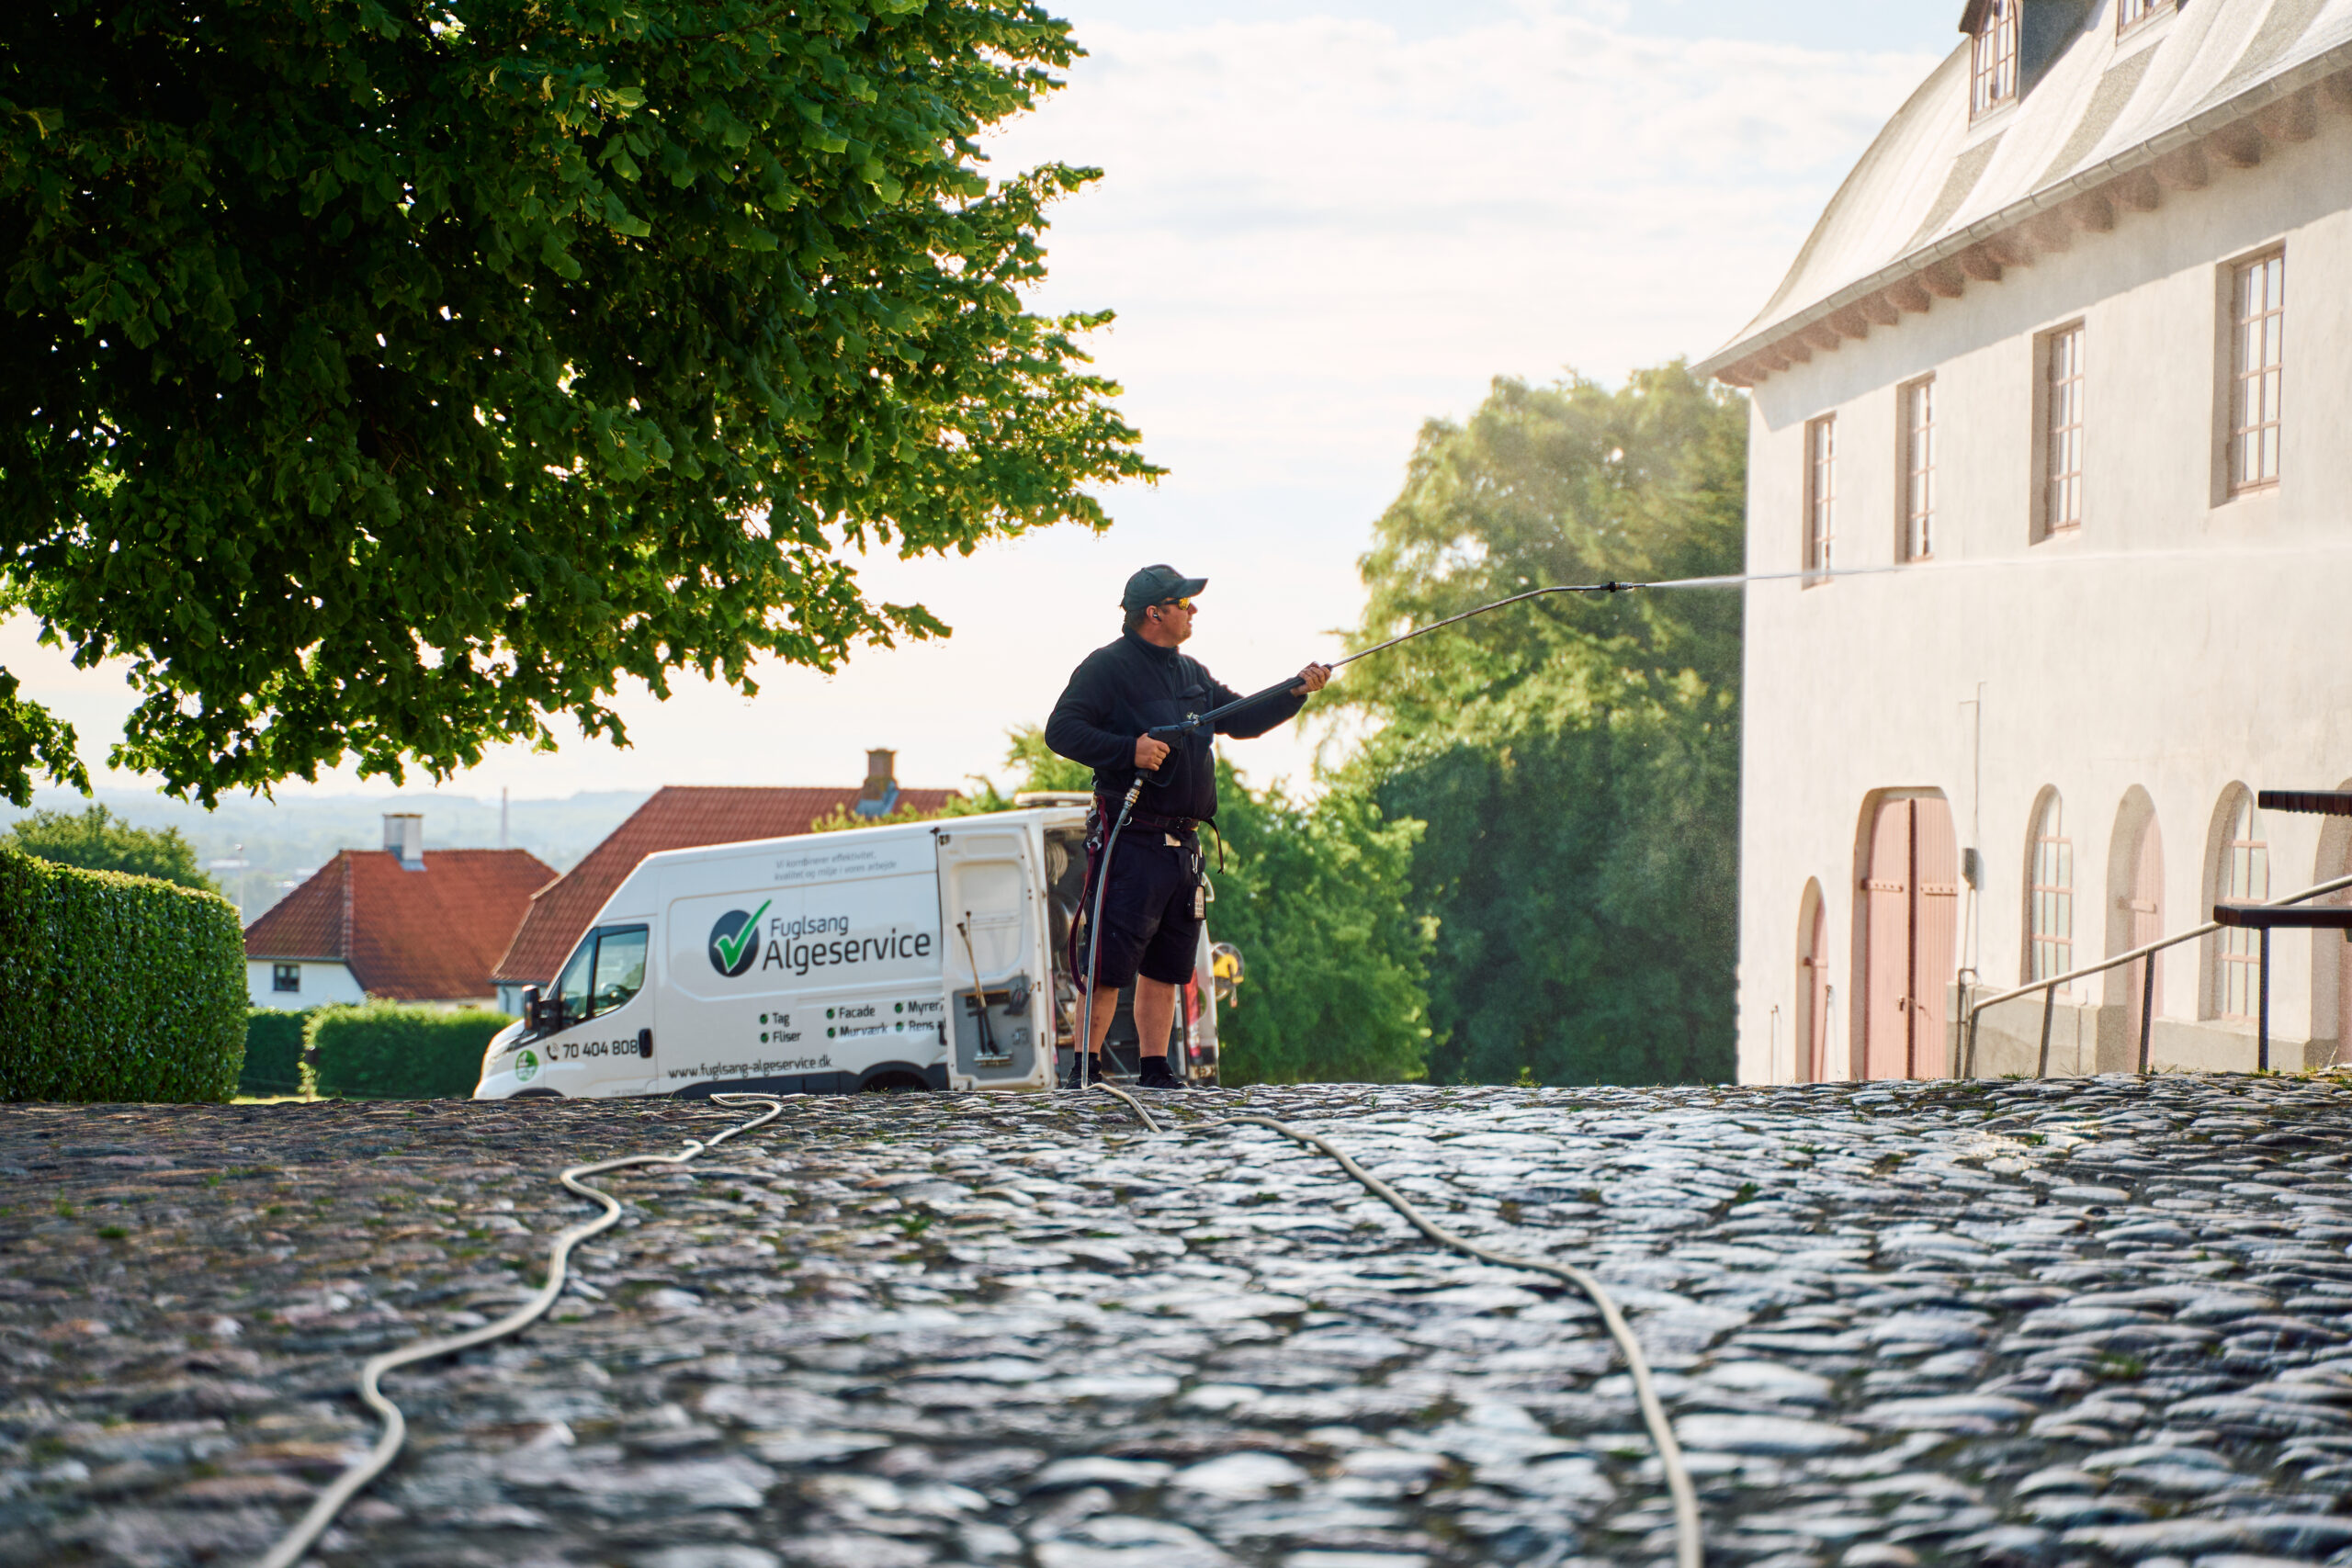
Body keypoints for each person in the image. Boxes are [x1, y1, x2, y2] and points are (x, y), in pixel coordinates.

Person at [1044, 565, 1331, 1089]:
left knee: (1167, 965)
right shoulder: (1107, 667)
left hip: (1184, 845)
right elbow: (1060, 730)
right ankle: (1084, 1072)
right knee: (1108, 963)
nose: (1193, 610)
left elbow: (1240, 717)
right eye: (1184, 603)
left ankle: (1155, 1070)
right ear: (1154, 613)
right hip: (1131, 838)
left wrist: (1295, 691)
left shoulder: (1191, 672)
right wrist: (1128, 750)